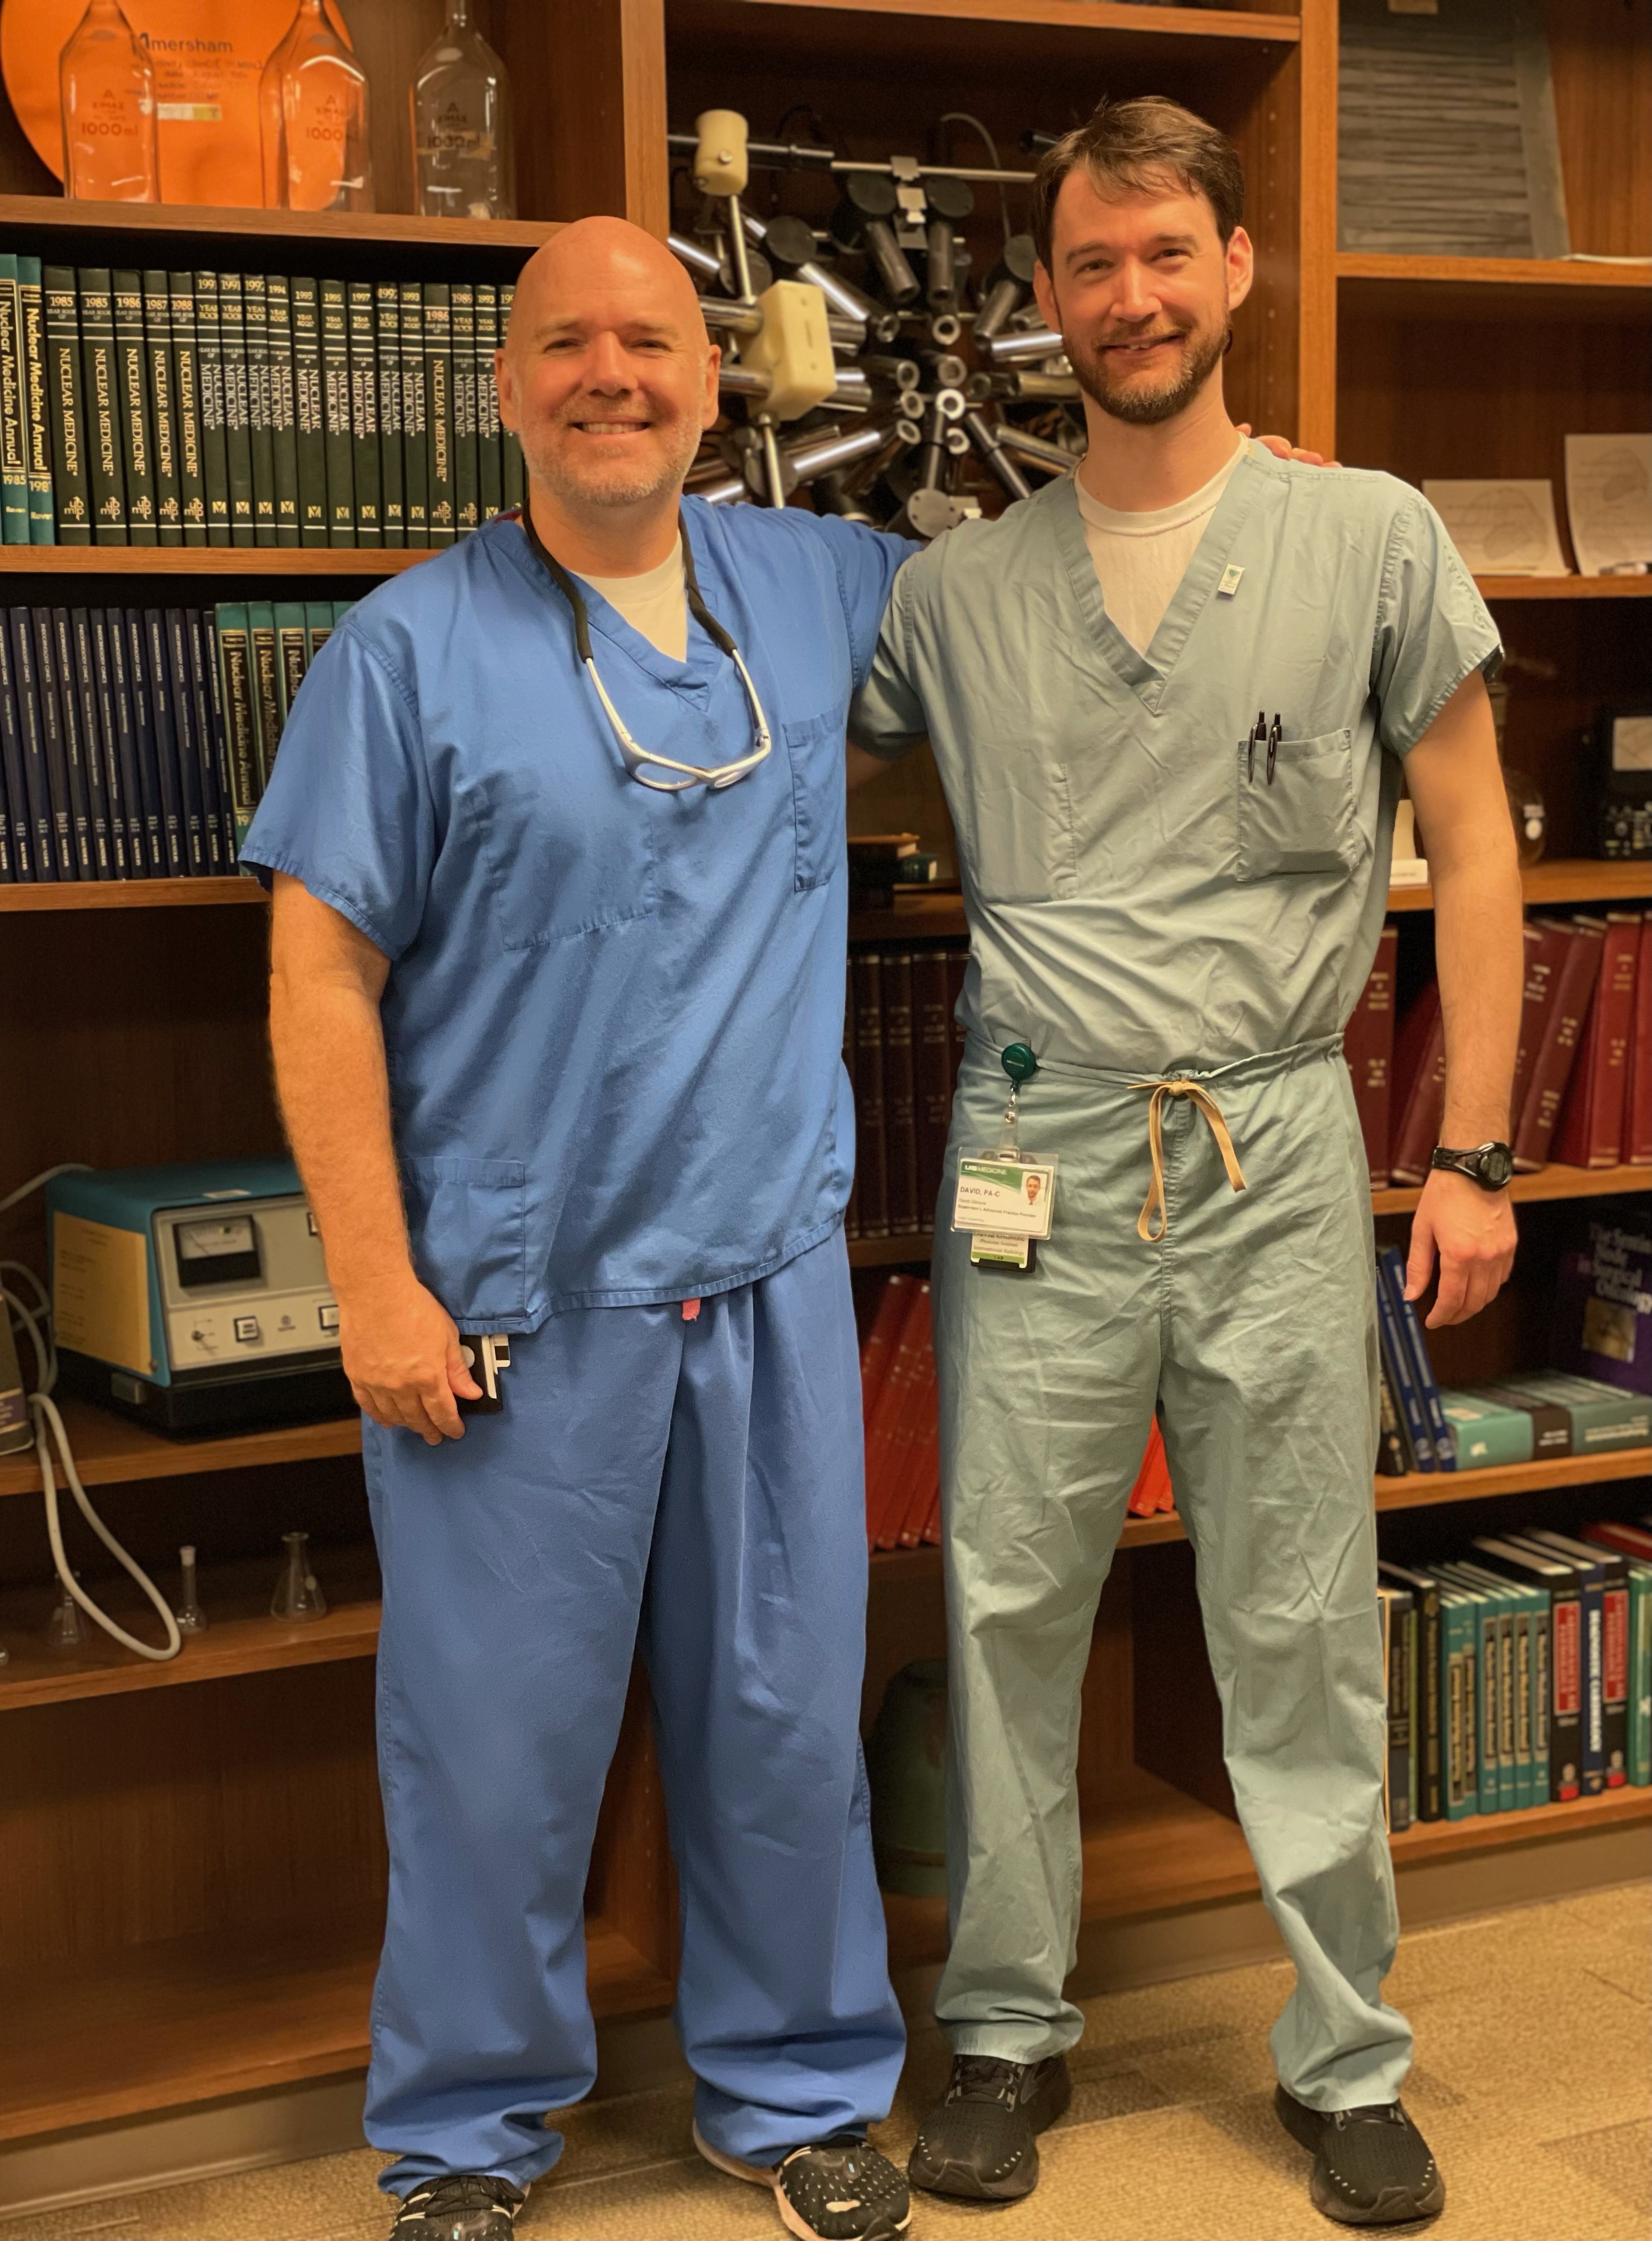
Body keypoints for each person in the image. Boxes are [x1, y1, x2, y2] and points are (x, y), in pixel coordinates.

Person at [849, 98, 1522, 2229]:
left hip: (1280, 1138)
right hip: (1033, 1148)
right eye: (1091, 264)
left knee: (1300, 1610)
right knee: (1006, 1598)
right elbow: (793, 751)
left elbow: (1476, 846)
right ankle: (1005, 2029)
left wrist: (1476, 1151)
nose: (1130, 297)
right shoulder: (953, 594)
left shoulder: (1369, 534)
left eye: (1166, 254)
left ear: (1236, 268)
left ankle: (1348, 2054)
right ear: (1045, 302)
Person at [243, 218, 919, 2241]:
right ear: (508, 388)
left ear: (714, 384)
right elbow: (318, 977)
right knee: (493, 1751)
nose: (608, 374)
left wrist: (1246, 481)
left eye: (649, 340)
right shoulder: (405, 651)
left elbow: (1058, 605)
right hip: (512, 1303)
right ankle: (466, 2135)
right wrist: (373, 1281)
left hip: (768, 1272)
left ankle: (798, 2093)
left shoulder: (819, 585)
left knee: (785, 1725)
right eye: (565, 345)